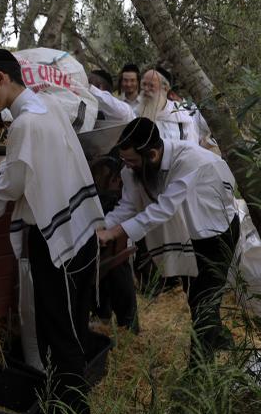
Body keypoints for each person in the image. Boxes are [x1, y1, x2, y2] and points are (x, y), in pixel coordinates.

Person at [0, 48, 104, 414]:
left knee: (62, 340)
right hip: (80, 233)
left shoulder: (24, 126)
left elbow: (12, 188)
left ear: (1, 79)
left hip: (57, 245)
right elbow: (37, 165)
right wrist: (2, 165)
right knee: (69, 332)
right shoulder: (49, 106)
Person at [97, 118, 239, 364]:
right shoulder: (134, 169)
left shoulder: (189, 160)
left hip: (217, 231)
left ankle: (198, 371)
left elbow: (164, 209)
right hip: (187, 233)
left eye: (131, 161)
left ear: (152, 154)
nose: (127, 168)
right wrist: (100, 226)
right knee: (196, 295)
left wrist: (115, 232)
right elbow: (128, 206)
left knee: (205, 299)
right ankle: (219, 339)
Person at [89, 155, 139, 332]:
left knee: (118, 271)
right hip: (105, 220)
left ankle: (129, 324)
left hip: (116, 228)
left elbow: (128, 210)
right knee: (101, 274)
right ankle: (103, 315)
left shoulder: (126, 178)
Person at [137, 65, 200, 144]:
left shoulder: (181, 115)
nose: (146, 89)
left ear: (165, 88)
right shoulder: (134, 112)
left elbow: (191, 150)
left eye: (151, 86)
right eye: (144, 84)